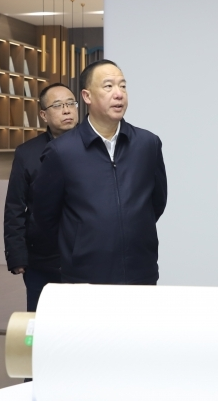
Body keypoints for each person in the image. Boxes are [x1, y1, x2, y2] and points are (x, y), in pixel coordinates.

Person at [33, 60, 168, 284]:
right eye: (108, 86)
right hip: (85, 276)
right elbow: (45, 216)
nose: (119, 94)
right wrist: (78, 246)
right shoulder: (61, 151)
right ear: (87, 96)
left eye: (122, 86)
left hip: (140, 272)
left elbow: (156, 203)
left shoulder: (147, 144)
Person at [4, 83, 78, 311]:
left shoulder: (94, 147)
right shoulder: (27, 153)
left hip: (85, 254)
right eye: (58, 105)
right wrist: (17, 254)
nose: (67, 110)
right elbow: (15, 206)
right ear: (44, 115)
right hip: (42, 257)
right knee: (41, 320)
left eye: (71, 103)